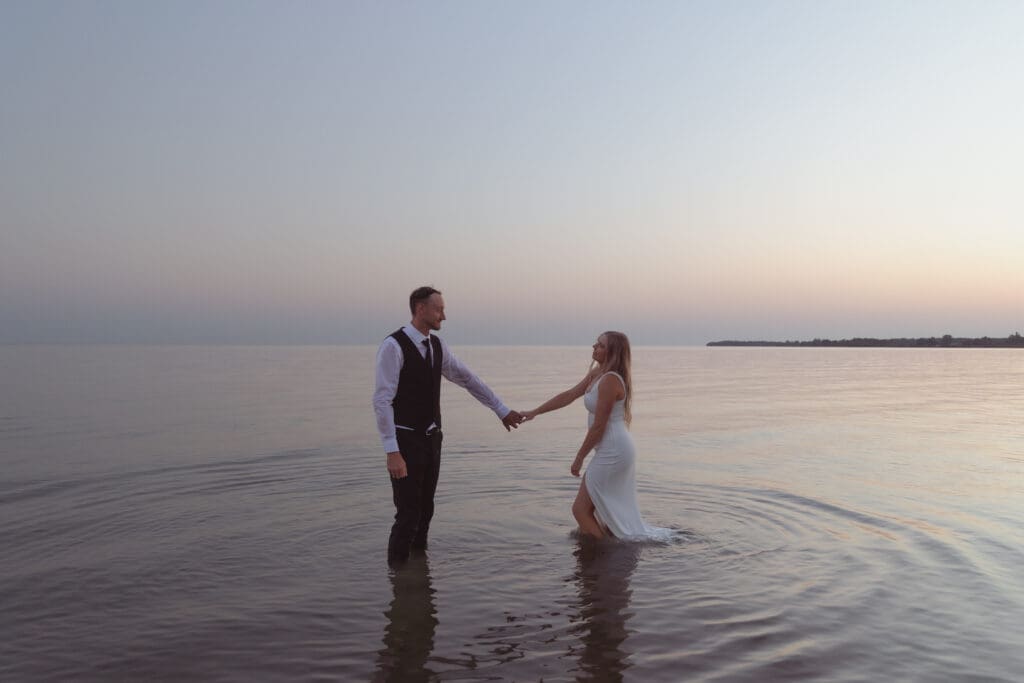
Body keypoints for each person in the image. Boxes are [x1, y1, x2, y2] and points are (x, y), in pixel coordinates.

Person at [373, 286, 524, 567]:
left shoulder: (437, 346)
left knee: (426, 510)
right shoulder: (393, 346)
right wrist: (391, 451)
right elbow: (382, 401)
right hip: (405, 443)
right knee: (408, 513)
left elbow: (468, 378)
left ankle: (419, 571)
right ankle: (398, 580)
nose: (444, 315)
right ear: (420, 309)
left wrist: (501, 410)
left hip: (432, 441)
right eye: (439, 309)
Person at [522, 331, 669, 541]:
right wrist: (535, 412)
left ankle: (605, 552)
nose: (593, 347)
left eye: (600, 345)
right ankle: (604, 553)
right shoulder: (597, 374)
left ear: (612, 351)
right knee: (601, 512)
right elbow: (569, 395)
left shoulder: (610, 381)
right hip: (610, 448)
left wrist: (579, 458)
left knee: (580, 510)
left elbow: (599, 426)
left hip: (615, 450)